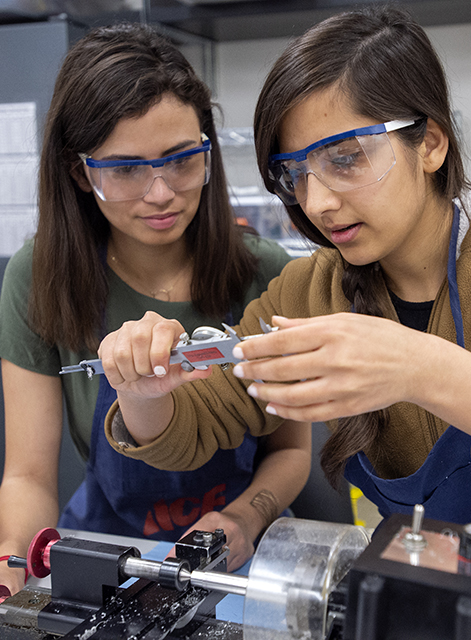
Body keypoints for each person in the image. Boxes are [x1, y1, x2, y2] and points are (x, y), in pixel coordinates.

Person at [96, 6, 471, 598]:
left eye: (346, 157)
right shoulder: (314, 292)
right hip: (439, 583)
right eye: (294, 173)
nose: (318, 201)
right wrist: (141, 391)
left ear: (430, 143)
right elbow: (204, 419)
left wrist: (423, 369)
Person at [0, 23, 311, 596]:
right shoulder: (38, 277)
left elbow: (292, 450)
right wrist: (15, 573)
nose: (161, 192)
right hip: (104, 555)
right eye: (125, 169)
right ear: (80, 172)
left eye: (181, 159)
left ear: (209, 150)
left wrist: (245, 519)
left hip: (238, 560)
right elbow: (27, 475)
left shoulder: (266, 273)